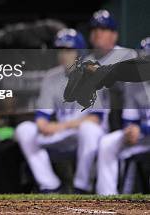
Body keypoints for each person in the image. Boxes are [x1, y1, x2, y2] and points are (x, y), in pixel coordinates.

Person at [16, 29, 107, 193]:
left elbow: (95, 119)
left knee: (90, 131)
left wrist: (58, 127)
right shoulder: (51, 77)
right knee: (24, 130)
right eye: (60, 50)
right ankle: (50, 185)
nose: (63, 54)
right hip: (62, 134)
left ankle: (82, 186)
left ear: (79, 53)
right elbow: (42, 116)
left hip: (83, 133)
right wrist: (43, 125)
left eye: (68, 50)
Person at [95, 38, 150, 195]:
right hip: (142, 137)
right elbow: (129, 119)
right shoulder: (135, 84)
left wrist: (141, 129)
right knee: (107, 143)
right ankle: (107, 197)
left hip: (144, 132)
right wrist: (130, 130)